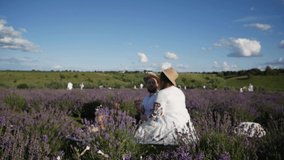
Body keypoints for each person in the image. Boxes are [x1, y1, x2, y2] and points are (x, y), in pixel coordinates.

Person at [135, 67, 198, 145]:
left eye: (160, 80)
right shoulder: (180, 92)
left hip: (169, 125)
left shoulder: (162, 93)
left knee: (142, 132)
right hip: (184, 125)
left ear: (163, 81)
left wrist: (145, 118)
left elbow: (156, 114)